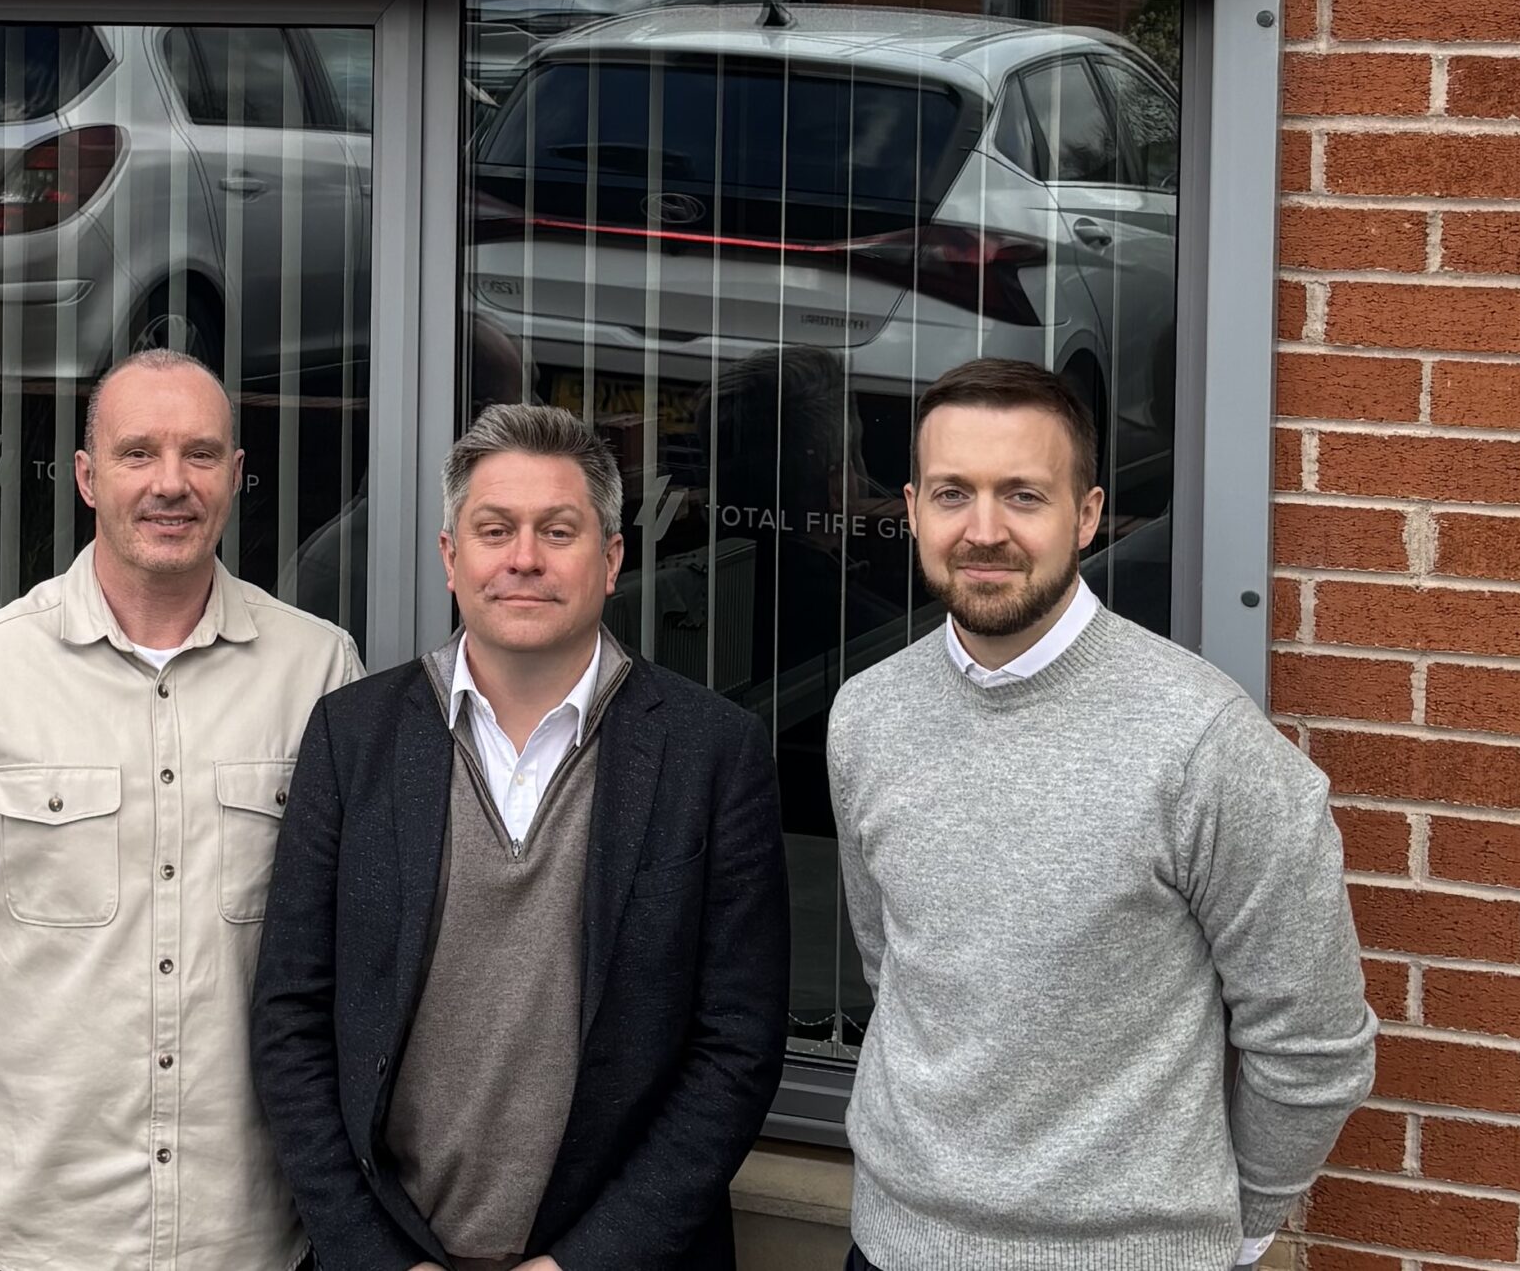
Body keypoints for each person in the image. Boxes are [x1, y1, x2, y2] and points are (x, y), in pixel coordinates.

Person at [826, 359, 1376, 1271]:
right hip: (891, 1247)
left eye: (1024, 495)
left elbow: (1314, 1045)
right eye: (954, 493)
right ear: (913, 509)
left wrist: (1234, 1233)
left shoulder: (1203, 745)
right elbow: (897, 972)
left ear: (1086, 516)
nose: (984, 530)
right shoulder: (867, 716)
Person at [0, 350, 363, 1271]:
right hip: (35, 1236)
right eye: (138, 453)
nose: (171, 483)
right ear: (87, 477)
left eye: (201, 454)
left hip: (250, 1240)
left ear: (237, 475)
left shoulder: (318, 671)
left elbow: (358, 970)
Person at [251, 402, 789, 1271]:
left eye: (558, 531)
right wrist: (377, 1258)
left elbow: (736, 1045)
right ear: (450, 557)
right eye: (495, 530)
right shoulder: (353, 738)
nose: (525, 558)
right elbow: (291, 1019)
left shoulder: (712, 754)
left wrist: (587, 1263)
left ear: (611, 559)